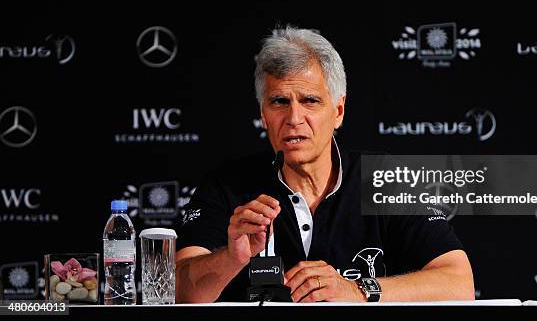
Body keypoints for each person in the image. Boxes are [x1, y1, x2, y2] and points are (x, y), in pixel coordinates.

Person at [175, 27, 474, 303]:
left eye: (310, 101)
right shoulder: (227, 187)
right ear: (264, 116)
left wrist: (357, 290)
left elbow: (458, 282)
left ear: (338, 111)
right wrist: (231, 257)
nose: (293, 118)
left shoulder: (384, 178)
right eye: (279, 101)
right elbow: (177, 291)